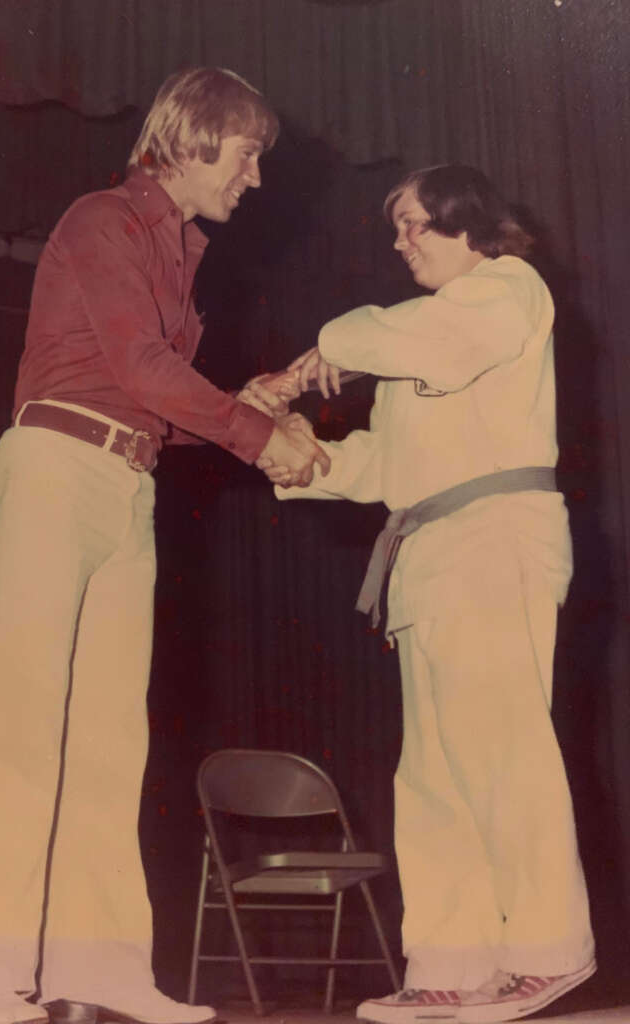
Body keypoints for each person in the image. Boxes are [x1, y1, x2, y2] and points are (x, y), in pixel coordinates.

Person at [0, 66, 329, 1024]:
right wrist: (257, 432)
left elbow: (156, 402)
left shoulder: (179, 257)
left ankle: (95, 972)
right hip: (54, 469)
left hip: (125, 483)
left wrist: (247, 406)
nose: (257, 178)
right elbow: (142, 368)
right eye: (248, 155)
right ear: (194, 140)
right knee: (21, 723)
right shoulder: (102, 219)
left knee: (111, 738)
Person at [261, 165, 595, 1024]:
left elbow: (412, 341)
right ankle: (453, 965)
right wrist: (292, 447)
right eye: (397, 230)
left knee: (499, 749)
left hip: (494, 541)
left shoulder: (505, 290)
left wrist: (325, 350)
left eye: (414, 225)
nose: (401, 243)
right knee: (436, 774)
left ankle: (547, 951)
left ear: (466, 224)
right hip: (430, 554)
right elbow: (386, 468)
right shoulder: (419, 349)